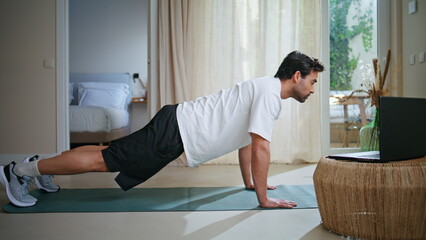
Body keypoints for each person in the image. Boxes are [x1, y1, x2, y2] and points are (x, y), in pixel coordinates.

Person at [0, 51, 324, 208]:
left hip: (176, 125)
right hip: (175, 131)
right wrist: (265, 199)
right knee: (105, 161)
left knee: (105, 154)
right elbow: (260, 147)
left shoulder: (266, 90)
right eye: (312, 82)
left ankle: (40, 164)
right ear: (297, 75)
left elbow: (245, 142)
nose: (312, 89)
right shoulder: (270, 94)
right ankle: (21, 170)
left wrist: (252, 184)